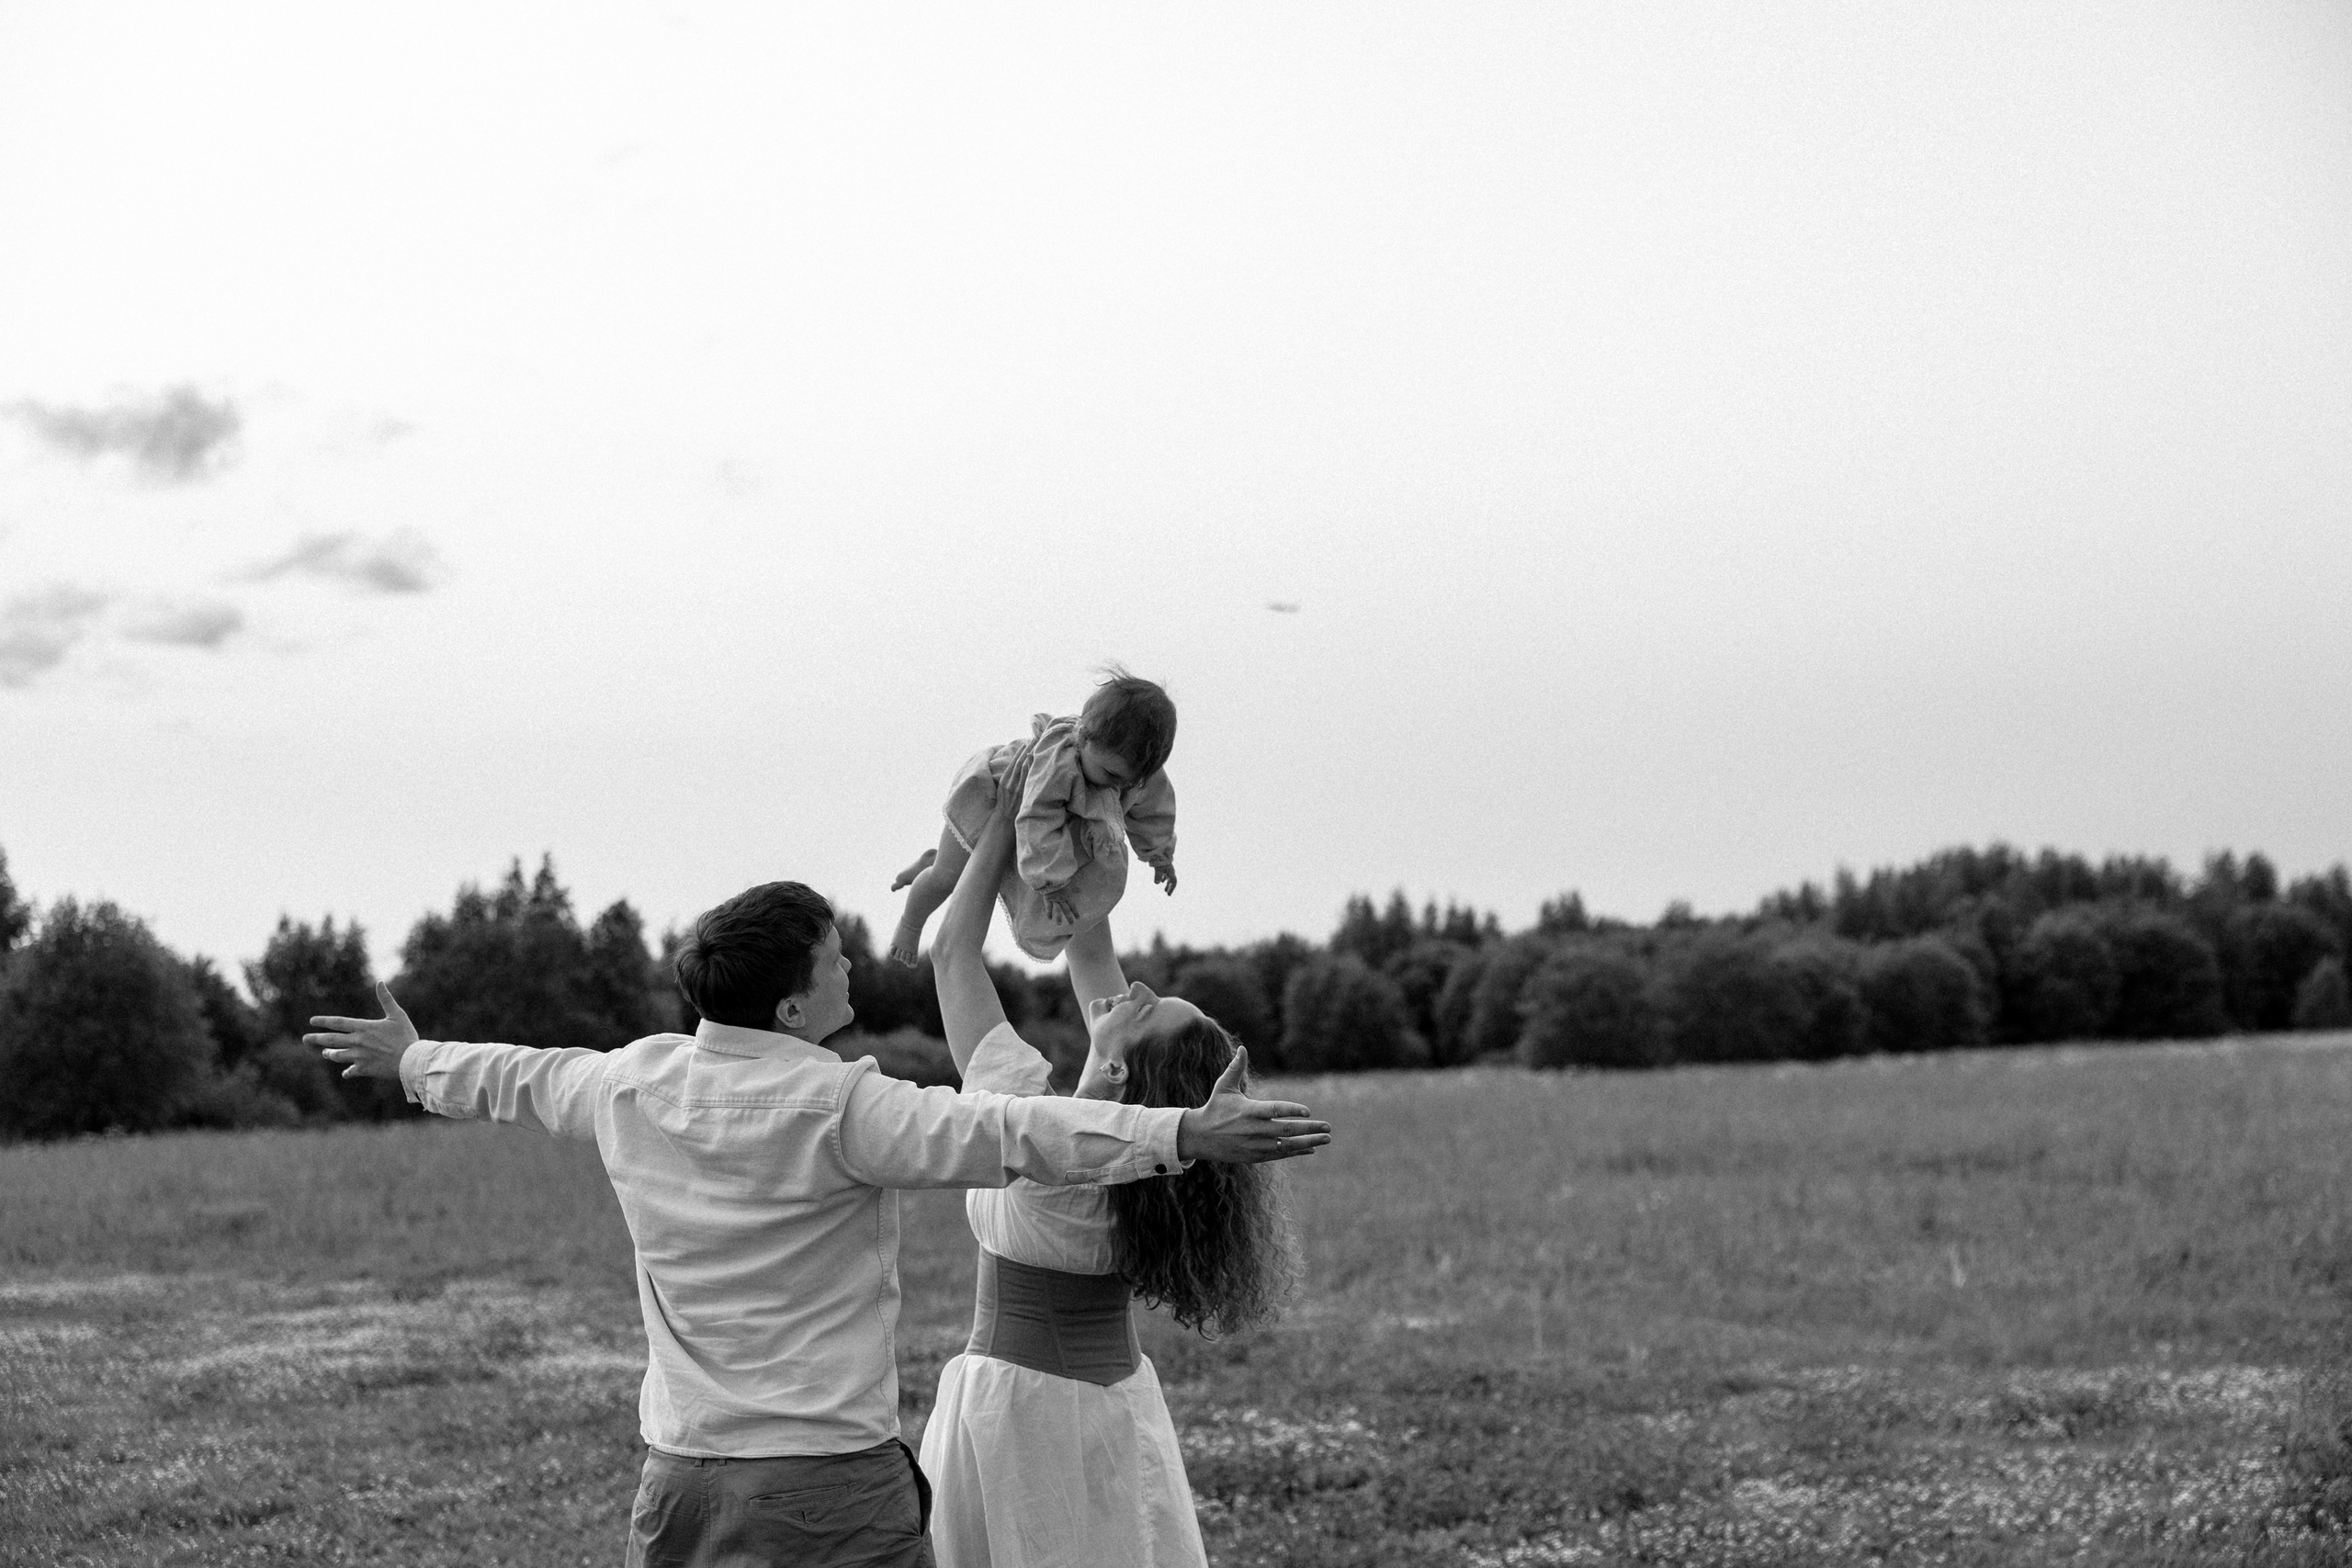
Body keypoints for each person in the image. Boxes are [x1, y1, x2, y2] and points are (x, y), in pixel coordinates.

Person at [305, 838, 1329, 1568]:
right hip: (827, 1487)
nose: (851, 965)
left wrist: (415, 1060)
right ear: (793, 1005)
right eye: (834, 959)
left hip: (681, 1482)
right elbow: (1011, 1135)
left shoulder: (627, 1079)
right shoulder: (848, 1107)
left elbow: (516, 1074)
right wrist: (1184, 1135)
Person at [918, 761, 1290, 1567]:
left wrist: (1001, 821)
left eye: (1147, 1008)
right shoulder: (1159, 1160)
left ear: (1127, 1069)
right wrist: (1080, 809)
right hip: (1117, 1408)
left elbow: (950, 951)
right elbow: (1089, 941)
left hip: (1023, 1417)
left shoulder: (1037, 1135)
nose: (1138, 988)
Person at [889, 669, 1178, 971]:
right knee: (946, 878)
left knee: (974, 867)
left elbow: (1153, 807)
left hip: (1036, 831)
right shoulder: (1058, 768)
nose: (1116, 786)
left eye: (1128, 780)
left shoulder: (1128, 769)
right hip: (995, 799)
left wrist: (1159, 855)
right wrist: (1050, 882)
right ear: (1083, 738)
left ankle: (946, 857)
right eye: (1111, 774)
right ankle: (911, 922)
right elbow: (1037, 819)